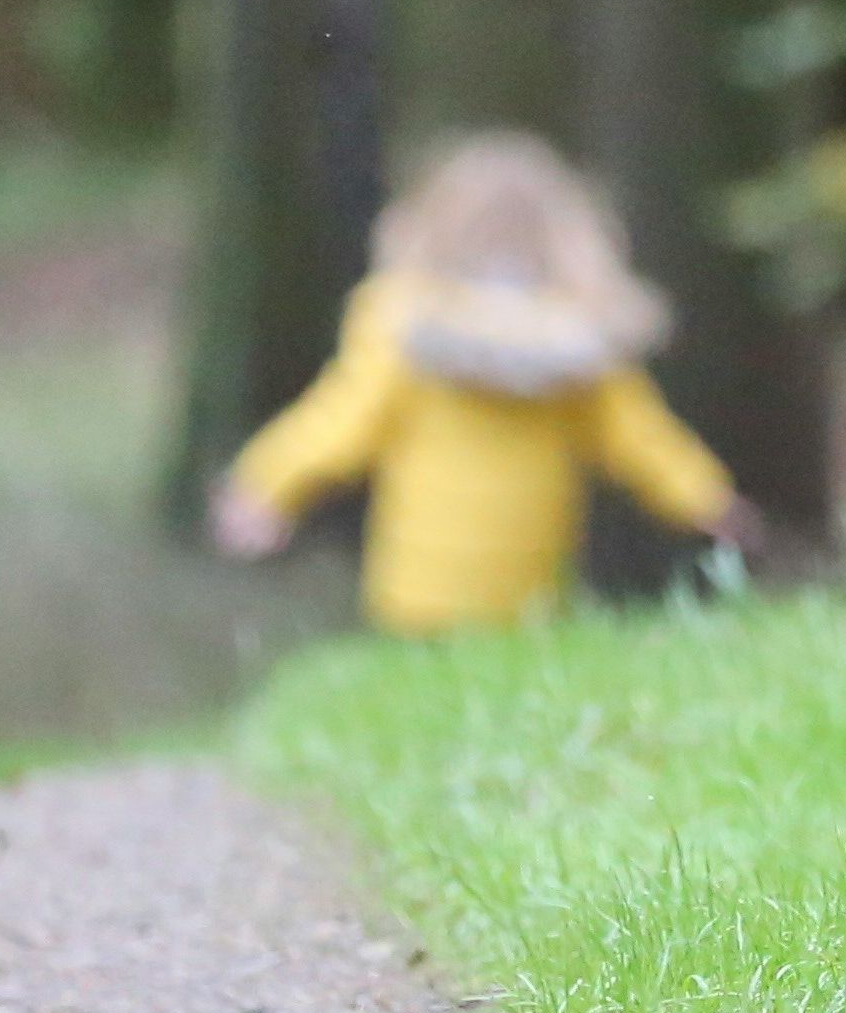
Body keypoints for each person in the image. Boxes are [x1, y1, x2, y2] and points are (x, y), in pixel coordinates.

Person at [210, 131, 756, 635]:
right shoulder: (579, 335)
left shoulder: (404, 319)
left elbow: (341, 420)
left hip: (418, 588)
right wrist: (707, 499)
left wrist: (264, 485)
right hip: (529, 586)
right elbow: (640, 437)